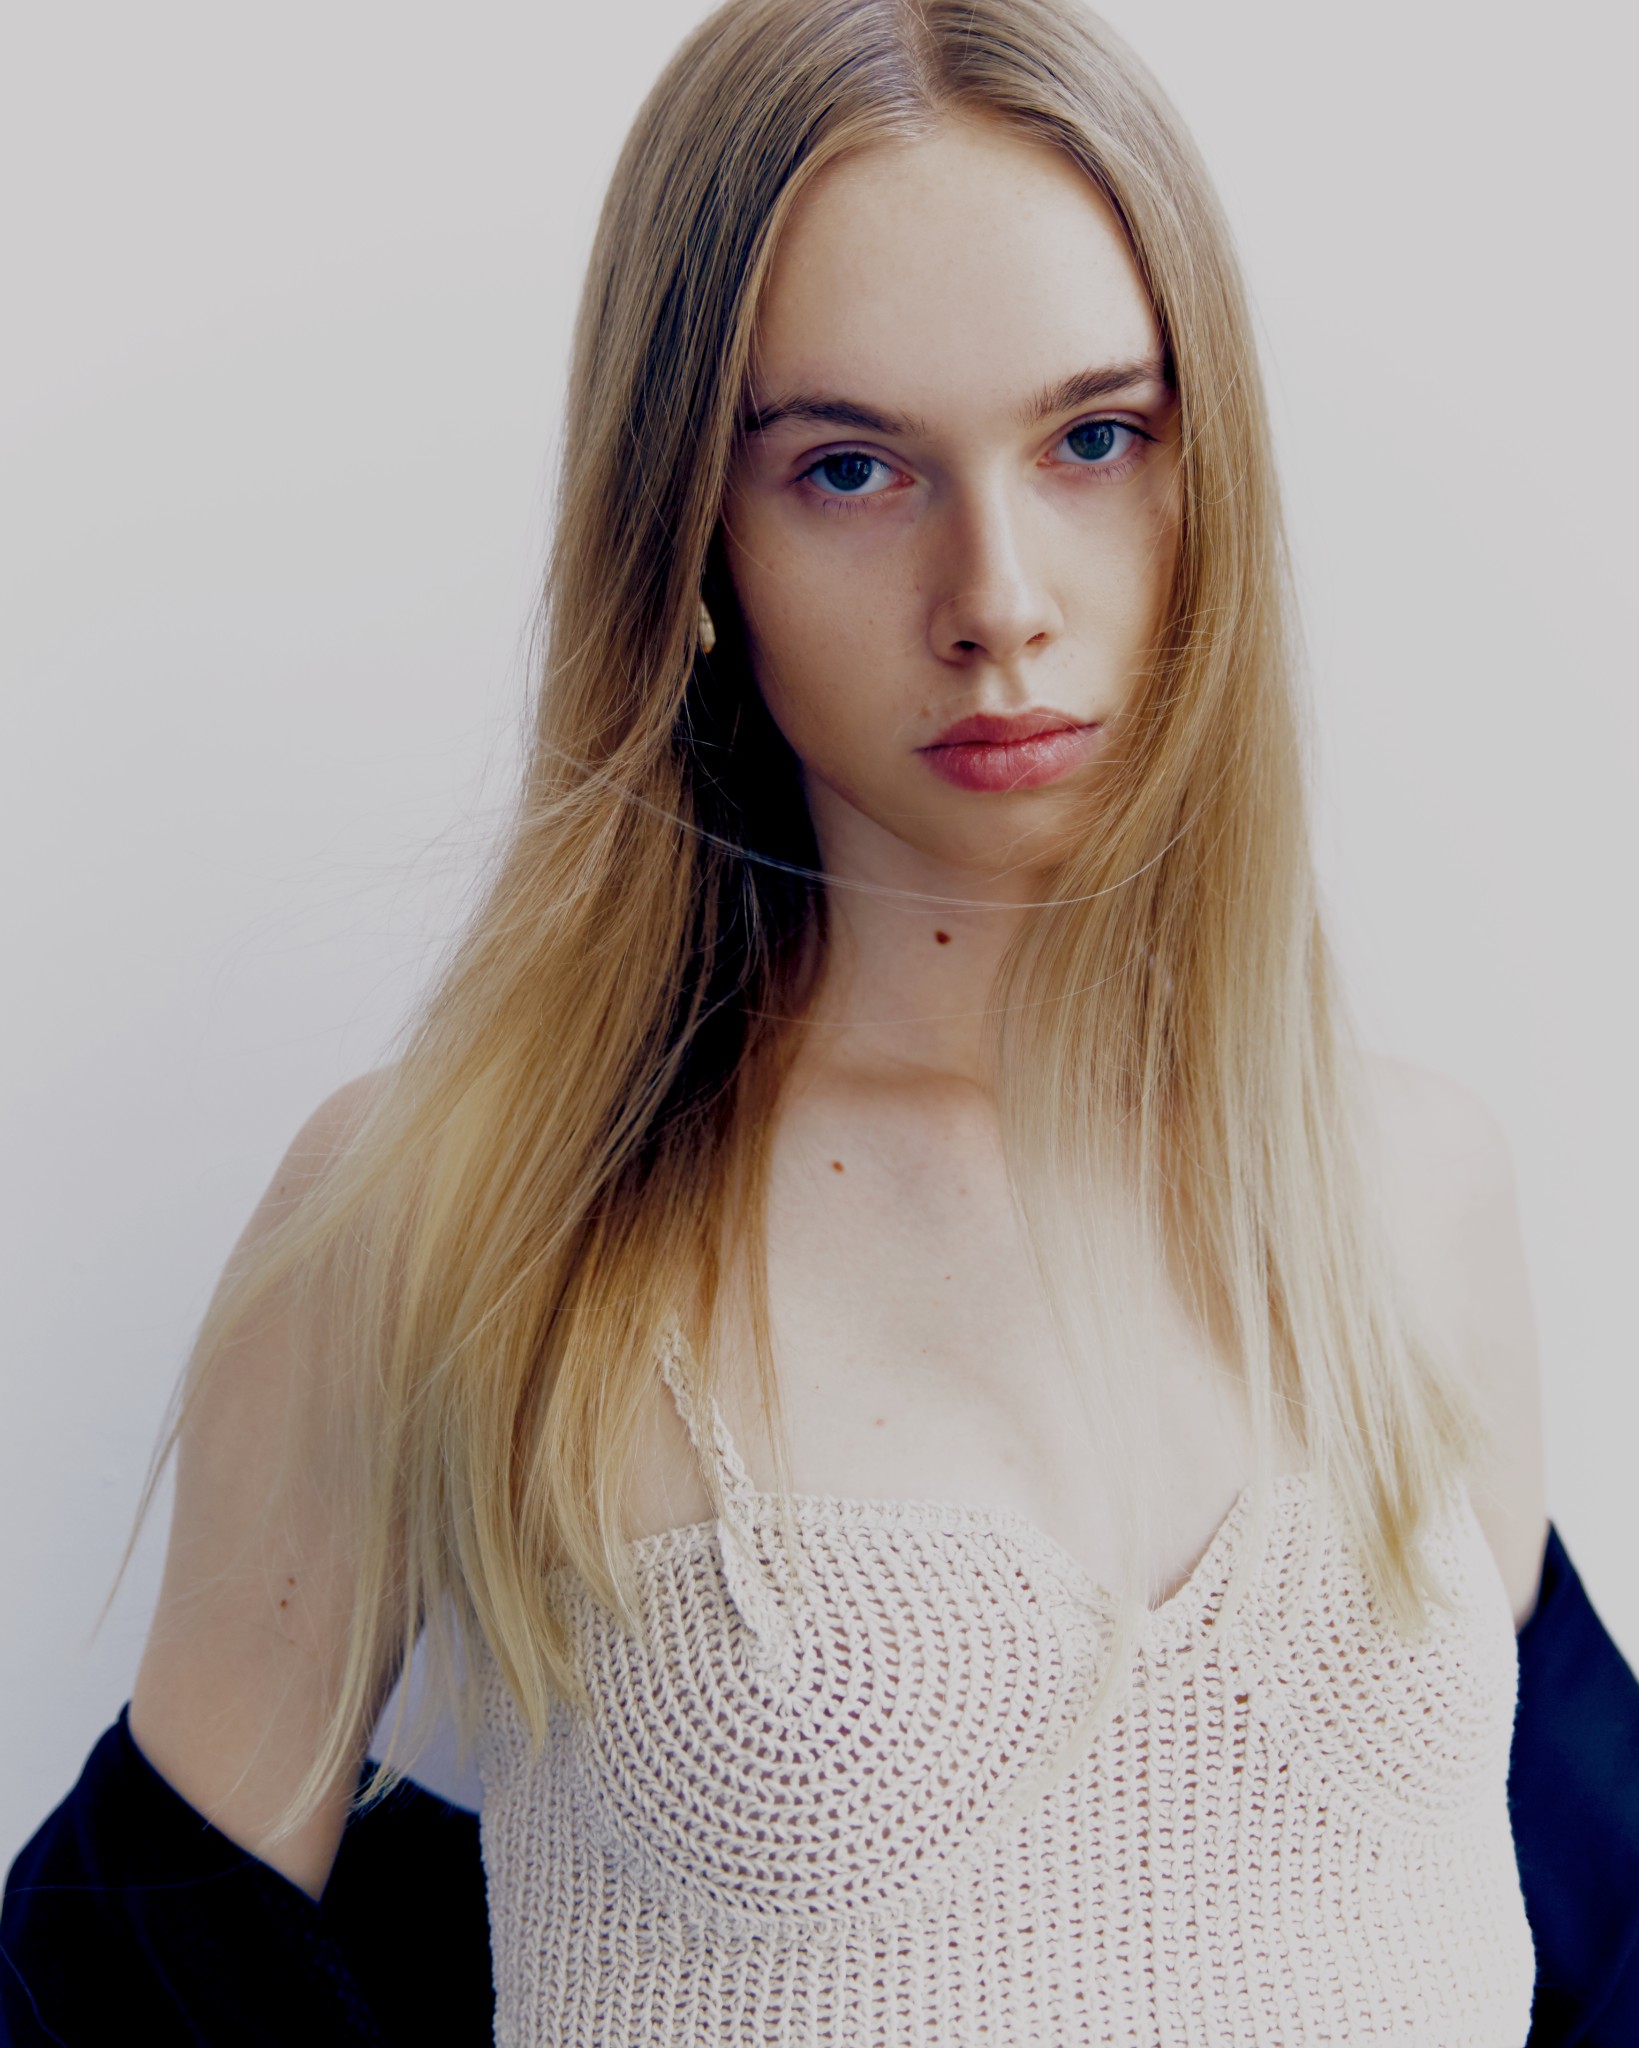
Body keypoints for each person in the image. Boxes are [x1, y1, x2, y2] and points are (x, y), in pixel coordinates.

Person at [5, 0, 1637, 2042]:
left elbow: (1593, 1946)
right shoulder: (454, 1211)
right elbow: (129, 1997)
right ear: (693, 530)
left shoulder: (1411, 1184)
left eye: (1096, 438)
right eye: (851, 468)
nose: (999, 596)